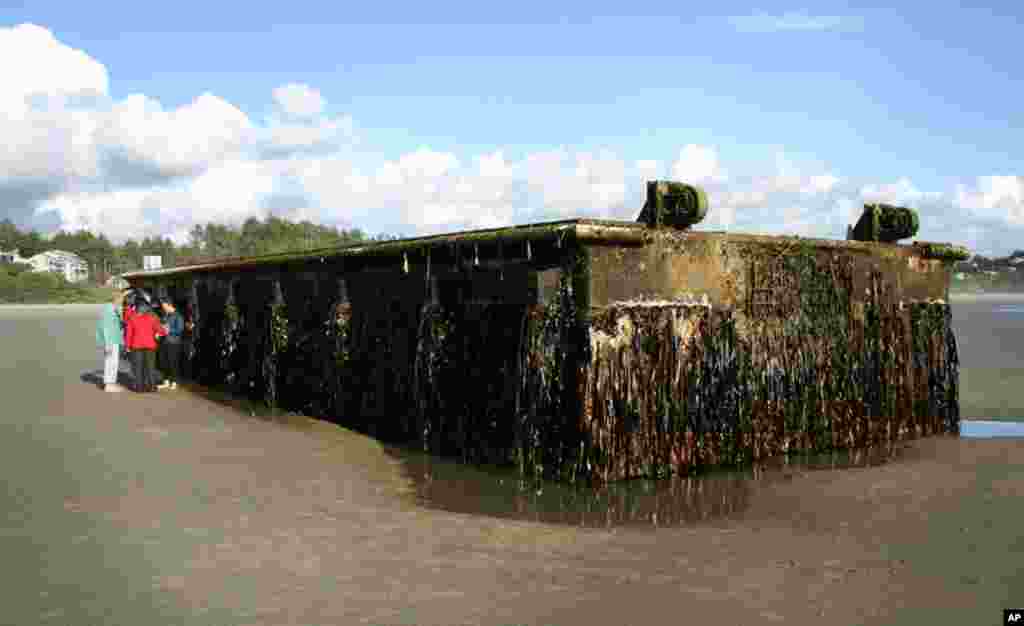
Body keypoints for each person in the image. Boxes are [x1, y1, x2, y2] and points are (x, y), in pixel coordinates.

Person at [125, 301, 167, 392]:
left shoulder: (132, 318)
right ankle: (152, 386)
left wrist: (127, 346)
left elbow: (128, 334)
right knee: (150, 366)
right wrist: (159, 333)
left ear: (137, 309)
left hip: (136, 346)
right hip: (150, 345)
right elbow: (161, 331)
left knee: (138, 367)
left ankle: (139, 387)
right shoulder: (152, 318)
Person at [95, 291, 127, 392]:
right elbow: (106, 328)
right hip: (111, 340)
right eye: (122, 299)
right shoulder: (109, 310)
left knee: (113, 362)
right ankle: (109, 385)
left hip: (113, 339)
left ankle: (111, 383)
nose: (123, 301)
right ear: (117, 299)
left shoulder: (111, 308)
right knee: (111, 362)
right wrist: (107, 345)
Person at [156, 299, 185, 390]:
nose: (163, 308)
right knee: (164, 362)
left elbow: (180, 329)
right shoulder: (166, 315)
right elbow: (162, 326)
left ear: (170, 305)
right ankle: (166, 381)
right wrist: (159, 332)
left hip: (173, 342)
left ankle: (174, 381)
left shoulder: (178, 316)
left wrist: (169, 331)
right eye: (163, 307)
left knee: (173, 362)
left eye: (165, 306)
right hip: (164, 341)